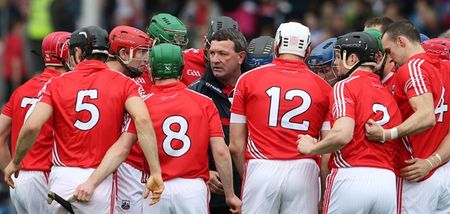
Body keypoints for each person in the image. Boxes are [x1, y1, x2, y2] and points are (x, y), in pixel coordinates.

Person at [3, 26, 164, 213]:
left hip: (60, 179)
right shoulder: (125, 83)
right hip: (100, 179)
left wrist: (16, 162)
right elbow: (143, 121)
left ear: (78, 52)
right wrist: (155, 170)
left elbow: (32, 126)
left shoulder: (56, 83)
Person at [297, 31, 408, 214]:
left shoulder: (344, 85)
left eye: (340, 56)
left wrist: (313, 148)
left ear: (353, 58)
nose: (336, 62)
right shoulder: (387, 91)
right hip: (387, 182)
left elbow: (343, 134)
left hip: (351, 175)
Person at [229, 22, 331, 214]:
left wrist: (249, 175)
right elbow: (327, 152)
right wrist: (324, 192)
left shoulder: (248, 80)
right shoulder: (324, 88)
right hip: (305, 170)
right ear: (308, 50)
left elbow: (235, 145)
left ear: (276, 46)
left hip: (261, 166)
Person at [366, 20, 450, 213]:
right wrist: (433, 161)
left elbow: (427, 115)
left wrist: (387, 134)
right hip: (441, 171)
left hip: (414, 173)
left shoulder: (412, 68)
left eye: (388, 51)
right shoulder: (446, 68)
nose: (389, 59)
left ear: (401, 41)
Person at [0, 31, 71, 214]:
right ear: (65, 54)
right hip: (45, 177)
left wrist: (13, 173)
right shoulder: (66, 88)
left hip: (20, 180)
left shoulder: (22, 89)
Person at [189, 27, 246, 214]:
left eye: (223, 54)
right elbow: (185, 143)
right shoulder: (194, 93)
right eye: (212, 53)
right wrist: (204, 171)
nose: (214, 60)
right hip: (210, 191)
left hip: (252, 187)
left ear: (241, 57)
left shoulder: (258, 89)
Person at [107, 25, 153, 213]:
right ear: (123, 53)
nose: (145, 58)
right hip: (116, 165)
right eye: (141, 52)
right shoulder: (117, 83)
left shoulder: (129, 79)